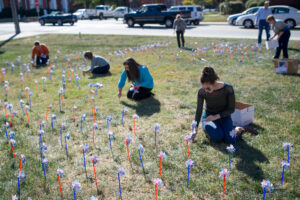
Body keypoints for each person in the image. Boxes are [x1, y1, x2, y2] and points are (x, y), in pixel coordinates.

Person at [192, 67, 236, 143]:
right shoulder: (202, 91)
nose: (205, 90)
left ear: (215, 82)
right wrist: (194, 129)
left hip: (224, 116)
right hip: (209, 117)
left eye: (208, 88)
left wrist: (215, 117)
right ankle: (207, 128)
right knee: (217, 138)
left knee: (230, 139)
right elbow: (198, 111)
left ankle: (239, 129)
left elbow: (231, 109)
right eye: (204, 88)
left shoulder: (228, 88)